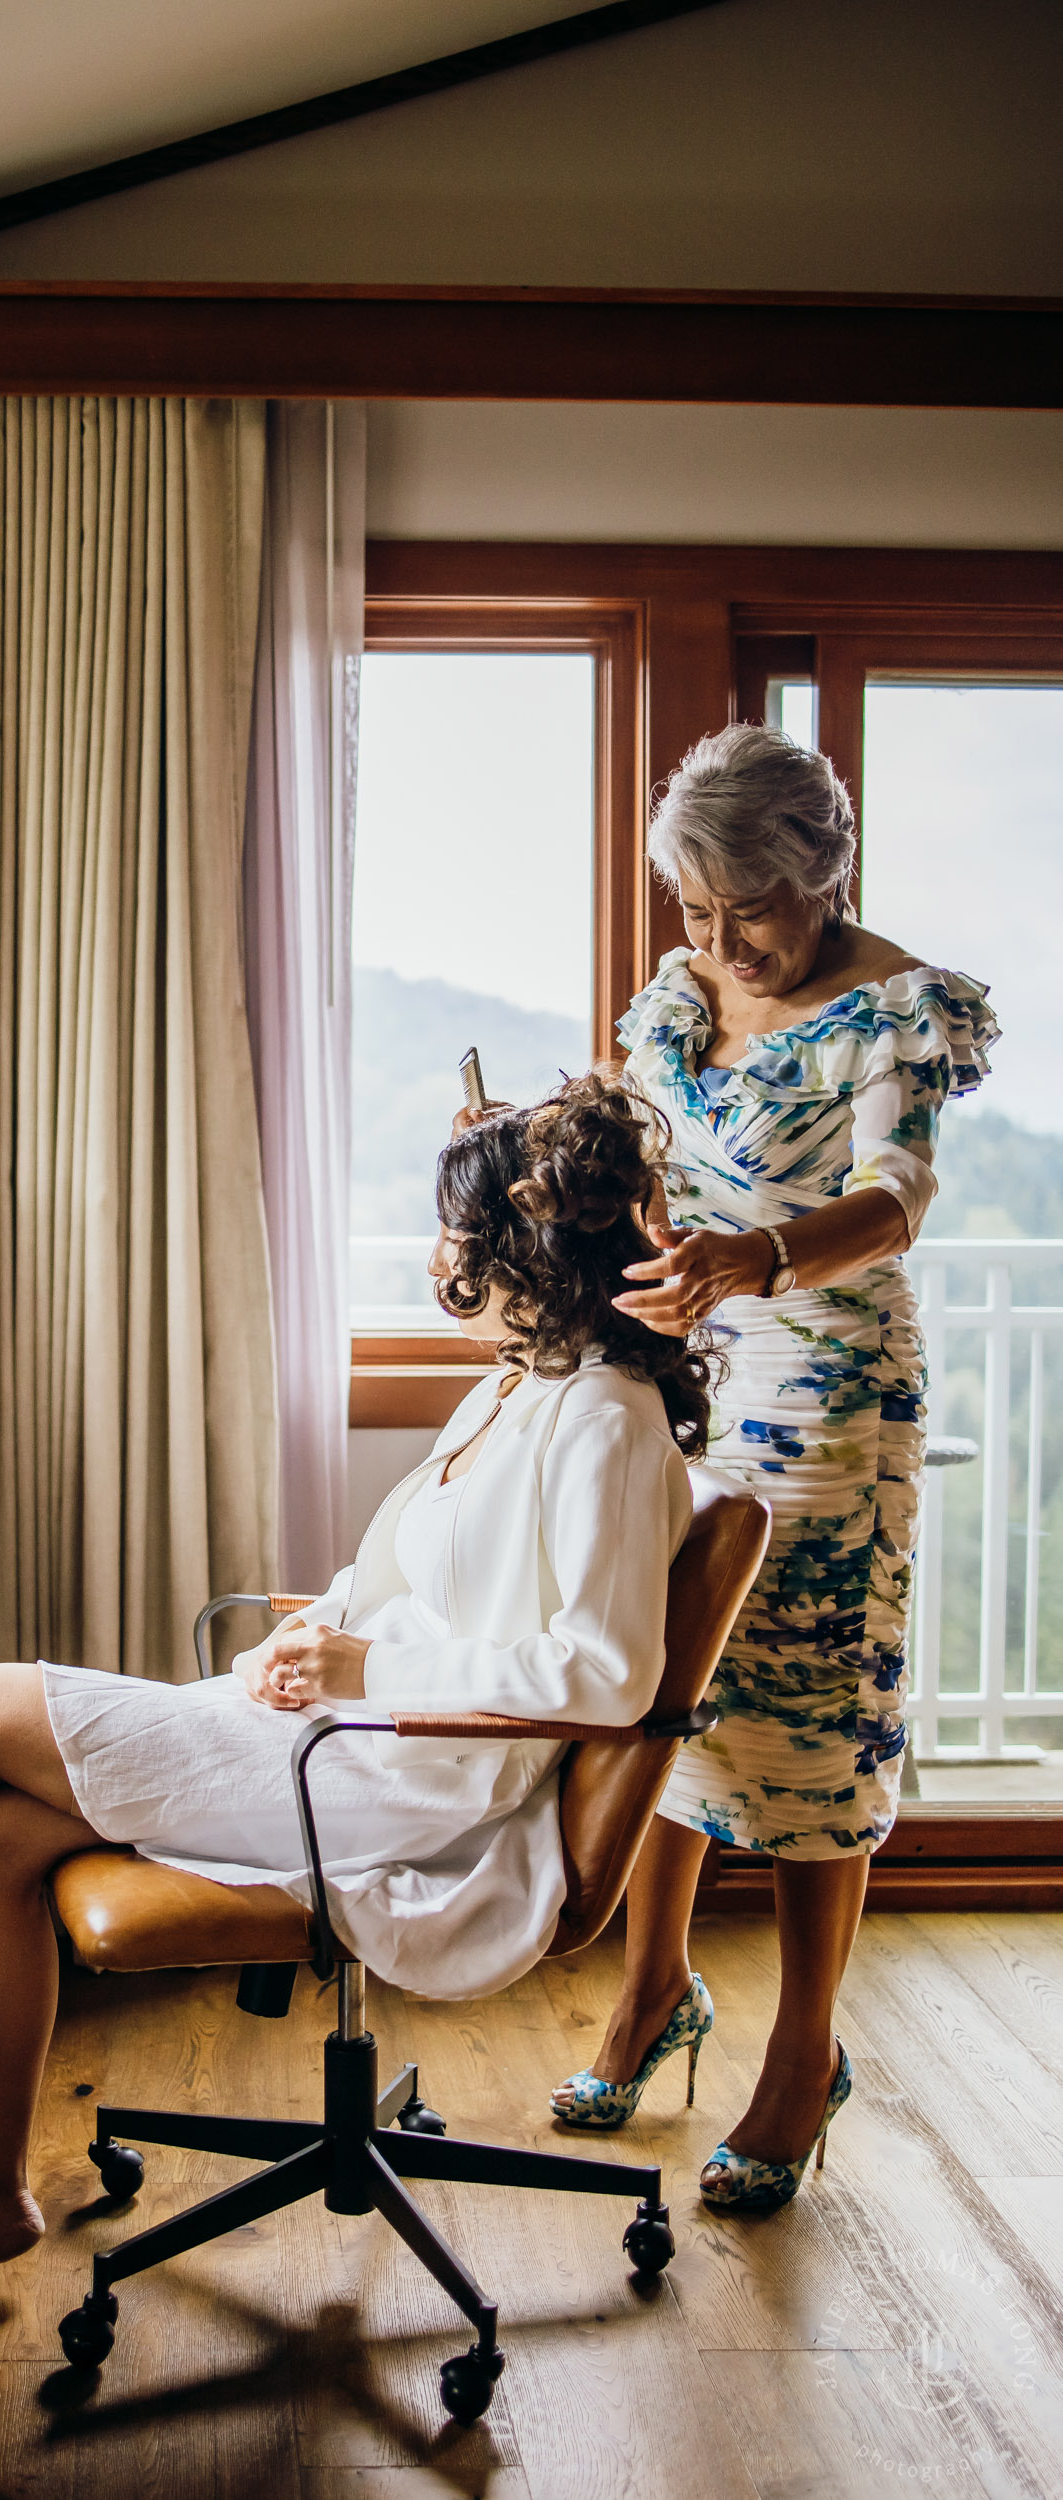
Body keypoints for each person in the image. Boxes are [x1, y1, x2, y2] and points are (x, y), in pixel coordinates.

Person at [0, 1073, 711, 2312]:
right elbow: (394, 1574)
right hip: (353, 1727)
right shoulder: (517, 1384)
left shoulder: (602, 1415)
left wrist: (366, 1670)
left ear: (523, 1249)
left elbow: (604, 1676)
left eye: (460, 1231)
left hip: (408, 1778)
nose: (445, 1254)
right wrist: (317, 1637)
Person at [548, 722, 997, 2214]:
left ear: (824, 873)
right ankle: (650, 1989)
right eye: (691, 906)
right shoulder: (678, 997)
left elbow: (893, 1202)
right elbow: (642, 1158)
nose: (719, 939)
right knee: (669, 1687)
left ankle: (800, 2051)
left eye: (748, 905)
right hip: (686, 1386)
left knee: (806, 1722)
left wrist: (762, 1258)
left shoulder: (895, 1012)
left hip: (826, 1402)